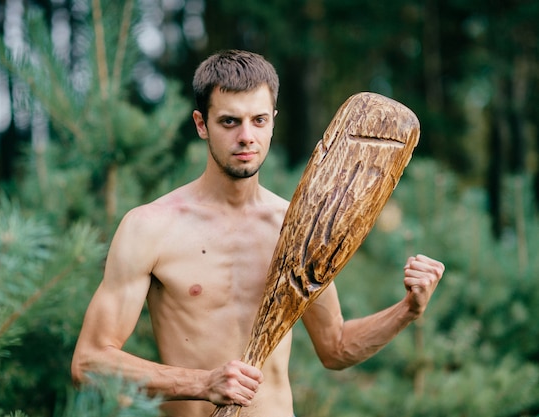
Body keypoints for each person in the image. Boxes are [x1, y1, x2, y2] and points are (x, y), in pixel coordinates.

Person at [71, 49, 445, 417]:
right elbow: (88, 364)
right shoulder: (150, 228)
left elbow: (336, 348)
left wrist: (408, 310)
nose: (247, 136)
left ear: (273, 121)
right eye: (230, 122)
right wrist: (202, 384)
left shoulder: (301, 226)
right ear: (201, 124)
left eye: (259, 120)